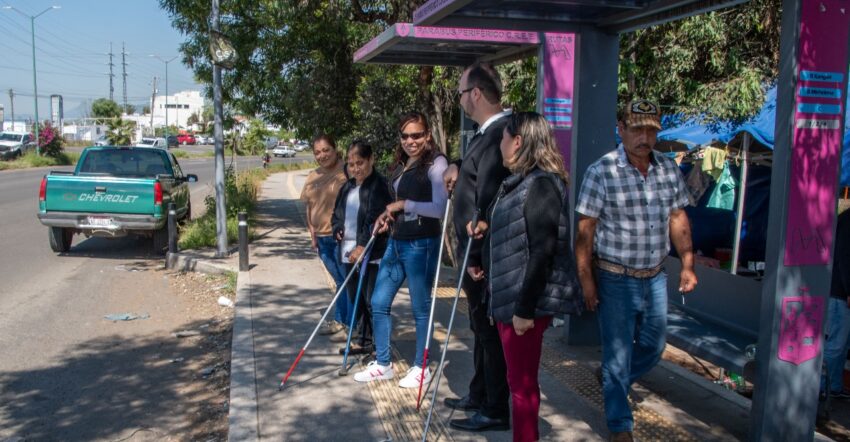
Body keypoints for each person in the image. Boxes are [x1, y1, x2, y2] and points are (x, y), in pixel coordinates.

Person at [574, 100, 698, 442]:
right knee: (617, 353)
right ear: (621, 128)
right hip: (615, 277)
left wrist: (687, 263)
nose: (644, 137)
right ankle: (619, 425)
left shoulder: (668, 168)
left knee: (654, 346)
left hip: (655, 276)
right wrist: (586, 280)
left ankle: (615, 377)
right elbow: (585, 231)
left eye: (651, 130)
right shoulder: (602, 171)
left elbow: (678, 218)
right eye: (636, 129)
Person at [466, 112, 582, 442]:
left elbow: (542, 250)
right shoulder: (520, 182)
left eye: (503, 138)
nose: (500, 145)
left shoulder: (542, 184)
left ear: (517, 142)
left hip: (521, 302)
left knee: (522, 386)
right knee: (521, 382)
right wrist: (486, 237)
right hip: (509, 295)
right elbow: (518, 235)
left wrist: (524, 310)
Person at [353, 112, 449, 388]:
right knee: (379, 302)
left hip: (422, 244)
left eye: (417, 135)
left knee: (421, 308)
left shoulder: (436, 163)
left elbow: (439, 209)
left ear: (427, 135)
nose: (410, 141)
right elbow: (398, 204)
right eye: (405, 136)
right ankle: (383, 363)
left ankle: (422, 367)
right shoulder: (403, 163)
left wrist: (404, 205)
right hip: (396, 241)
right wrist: (388, 215)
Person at [442, 62, 513, 432]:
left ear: (476, 93)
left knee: (488, 331)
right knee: (479, 327)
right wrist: (456, 163)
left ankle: (495, 406)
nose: (460, 100)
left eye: (460, 93)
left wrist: (475, 257)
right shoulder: (487, 134)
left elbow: (489, 201)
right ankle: (479, 391)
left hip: (482, 256)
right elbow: (474, 172)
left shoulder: (502, 132)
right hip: (475, 254)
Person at [331, 140, 392, 355]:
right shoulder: (347, 186)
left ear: (371, 160)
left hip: (370, 253)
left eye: (360, 162)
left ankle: (379, 346)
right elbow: (337, 215)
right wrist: (337, 228)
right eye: (351, 163)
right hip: (348, 253)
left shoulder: (379, 185)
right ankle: (363, 339)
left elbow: (374, 219)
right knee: (355, 297)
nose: (355, 168)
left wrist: (362, 246)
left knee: (371, 299)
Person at [300, 134, 352, 338]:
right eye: (317, 152)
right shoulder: (313, 176)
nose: (322, 155)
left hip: (342, 236)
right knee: (340, 280)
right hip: (321, 238)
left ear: (334, 149)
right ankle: (343, 321)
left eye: (326, 150)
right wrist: (312, 232)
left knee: (345, 280)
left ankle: (346, 323)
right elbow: (309, 206)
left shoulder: (348, 170)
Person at [821, 208, 850, 398]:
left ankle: (834, 387)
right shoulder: (848, 221)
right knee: (836, 345)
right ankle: (821, 388)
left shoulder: (845, 218)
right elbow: (845, 258)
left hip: (839, 291)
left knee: (842, 344)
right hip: (839, 292)